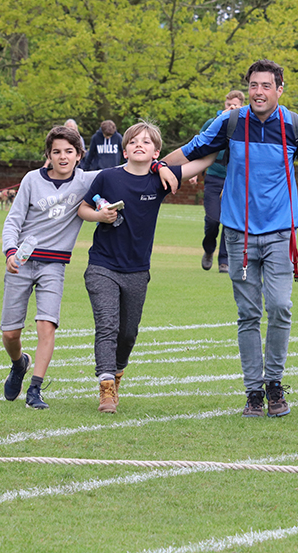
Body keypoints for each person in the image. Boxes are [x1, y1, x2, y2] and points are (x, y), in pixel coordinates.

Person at [163, 59, 298, 418]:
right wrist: (154, 168)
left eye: (266, 86)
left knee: (280, 306)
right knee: (248, 314)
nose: (258, 92)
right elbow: (190, 151)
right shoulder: (231, 122)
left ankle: (274, 384)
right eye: (253, 85)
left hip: (281, 234)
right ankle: (253, 392)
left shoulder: (294, 125)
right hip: (239, 236)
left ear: (280, 89)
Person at [78, 121, 206, 413]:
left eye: (147, 142)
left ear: (156, 152)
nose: (139, 145)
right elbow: (83, 208)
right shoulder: (107, 177)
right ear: (124, 150)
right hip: (102, 265)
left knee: (128, 333)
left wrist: (224, 140)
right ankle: (106, 387)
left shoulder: (159, 180)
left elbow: (200, 162)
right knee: (107, 326)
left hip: (137, 270)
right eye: (134, 141)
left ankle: (117, 372)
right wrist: (99, 216)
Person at [0, 126, 103, 409]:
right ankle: (18, 364)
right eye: (56, 152)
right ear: (48, 155)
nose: (63, 157)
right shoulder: (32, 180)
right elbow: (13, 220)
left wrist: (157, 163)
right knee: (10, 333)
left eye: (69, 151)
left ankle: (35, 389)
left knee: (46, 325)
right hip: (21, 262)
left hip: (54, 265)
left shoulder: (86, 180)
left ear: (79, 155)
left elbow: (127, 169)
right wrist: (10, 251)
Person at [198, 90, 243, 273]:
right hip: (214, 176)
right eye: (228, 104)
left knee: (229, 221)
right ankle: (209, 250)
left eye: (235, 105)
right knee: (213, 220)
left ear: (241, 106)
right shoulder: (213, 122)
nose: (231, 108)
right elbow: (199, 145)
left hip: (234, 179)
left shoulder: (245, 125)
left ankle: (224, 260)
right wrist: (194, 171)